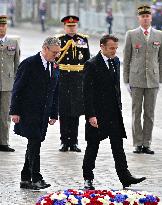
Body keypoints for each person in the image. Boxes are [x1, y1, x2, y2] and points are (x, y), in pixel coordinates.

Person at [82, 34, 146, 190]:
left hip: (113, 113)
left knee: (118, 146)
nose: (114, 51)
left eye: (116, 48)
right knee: (93, 146)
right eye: (111, 48)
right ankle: (88, 178)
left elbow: (115, 88)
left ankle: (125, 177)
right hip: (97, 114)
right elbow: (86, 92)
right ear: (102, 47)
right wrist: (90, 115)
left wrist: (119, 107)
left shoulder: (116, 61)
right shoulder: (91, 64)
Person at [9, 37, 60, 190]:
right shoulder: (29, 63)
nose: (56, 55)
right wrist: (15, 111)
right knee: (35, 143)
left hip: (43, 114)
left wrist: (53, 113)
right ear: (45, 48)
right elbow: (18, 88)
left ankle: (25, 179)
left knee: (34, 144)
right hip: (28, 112)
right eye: (54, 52)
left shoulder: (55, 66)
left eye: (58, 52)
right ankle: (36, 178)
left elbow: (55, 91)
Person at [123, 5, 162, 154]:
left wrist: (160, 80)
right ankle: (137, 143)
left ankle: (147, 143)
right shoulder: (131, 34)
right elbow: (126, 58)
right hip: (136, 79)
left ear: (151, 18)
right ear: (138, 18)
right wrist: (126, 80)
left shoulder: (159, 35)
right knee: (136, 112)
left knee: (150, 113)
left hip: (152, 79)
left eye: (147, 16)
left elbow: (161, 59)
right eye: (142, 16)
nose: (145, 19)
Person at [56, 15, 90, 152]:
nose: (71, 28)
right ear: (64, 27)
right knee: (64, 110)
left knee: (75, 111)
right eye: (69, 26)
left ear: (77, 26)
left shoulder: (83, 40)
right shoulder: (59, 40)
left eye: (74, 26)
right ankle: (64, 141)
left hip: (77, 79)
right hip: (63, 78)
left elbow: (87, 60)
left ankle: (74, 141)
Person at [0, 15, 20, 152]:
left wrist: (17, 83)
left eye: (3, 25)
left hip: (7, 84)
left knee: (5, 114)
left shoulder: (13, 43)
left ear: (7, 26)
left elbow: (17, 65)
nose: (1, 28)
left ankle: (3, 142)